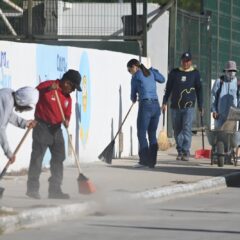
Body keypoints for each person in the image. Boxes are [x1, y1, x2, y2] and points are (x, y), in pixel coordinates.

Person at [26, 69, 82, 199]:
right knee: (37, 158)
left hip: (56, 130)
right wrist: (47, 89)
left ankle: (55, 190)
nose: (73, 90)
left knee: (59, 157)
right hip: (41, 126)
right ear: (67, 83)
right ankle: (32, 189)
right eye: (73, 87)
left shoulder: (67, 98)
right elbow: (33, 94)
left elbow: (67, 113)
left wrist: (66, 120)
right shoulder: (49, 86)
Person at [162, 52, 203, 161]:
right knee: (177, 130)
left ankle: (186, 151)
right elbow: (168, 88)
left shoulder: (195, 73)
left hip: (189, 107)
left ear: (191, 61)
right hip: (175, 106)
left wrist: (201, 105)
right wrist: (164, 102)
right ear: (181, 61)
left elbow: (199, 90)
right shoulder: (174, 73)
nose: (186, 63)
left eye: (188, 61)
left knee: (186, 129)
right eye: (184, 61)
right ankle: (179, 151)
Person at [127, 59, 165, 168]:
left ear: (134, 67)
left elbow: (133, 95)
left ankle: (144, 161)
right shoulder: (151, 73)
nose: (130, 72)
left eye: (130, 70)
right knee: (152, 134)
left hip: (146, 106)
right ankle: (152, 162)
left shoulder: (136, 76)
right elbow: (162, 79)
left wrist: (134, 98)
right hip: (156, 106)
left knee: (141, 133)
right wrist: (153, 70)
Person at [0, 86, 38, 164]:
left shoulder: (8, 94)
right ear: (22, 101)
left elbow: (8, 115)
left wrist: (24, 122)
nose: (23, 110)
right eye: (25, 107)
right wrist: (8, 153)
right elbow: (1, 128)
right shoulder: (7, 101)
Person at [211, 60, 238, 129]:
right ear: (226, 71)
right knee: (219, 136)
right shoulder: (219, 81)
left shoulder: (237, 83)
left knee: (231, 137)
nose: (232, 72)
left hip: (232, 117)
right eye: (230, 70)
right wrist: (214, 110)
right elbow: (213, 96)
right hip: (220, 116)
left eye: (233, 70)